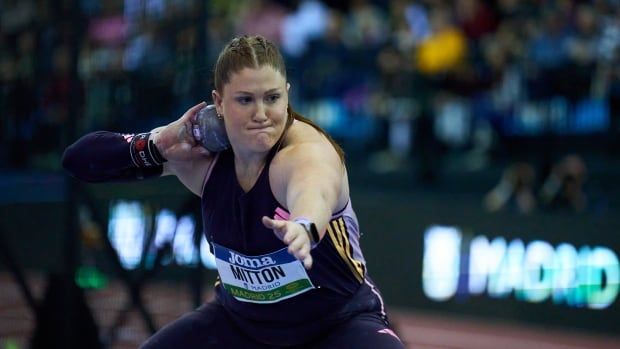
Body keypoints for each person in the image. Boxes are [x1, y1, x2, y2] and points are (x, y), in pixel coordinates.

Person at [62, 35, 404, 349]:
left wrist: (304, 226)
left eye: (272, 98)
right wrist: (156, 144)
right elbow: (78, 161)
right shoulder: (200, 159)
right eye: (245, 100)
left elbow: (313, 190)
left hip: (335, 327)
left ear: (287, 94)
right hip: (239, 326)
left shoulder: (304, 152)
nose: (261, 115)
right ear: (218, 103)